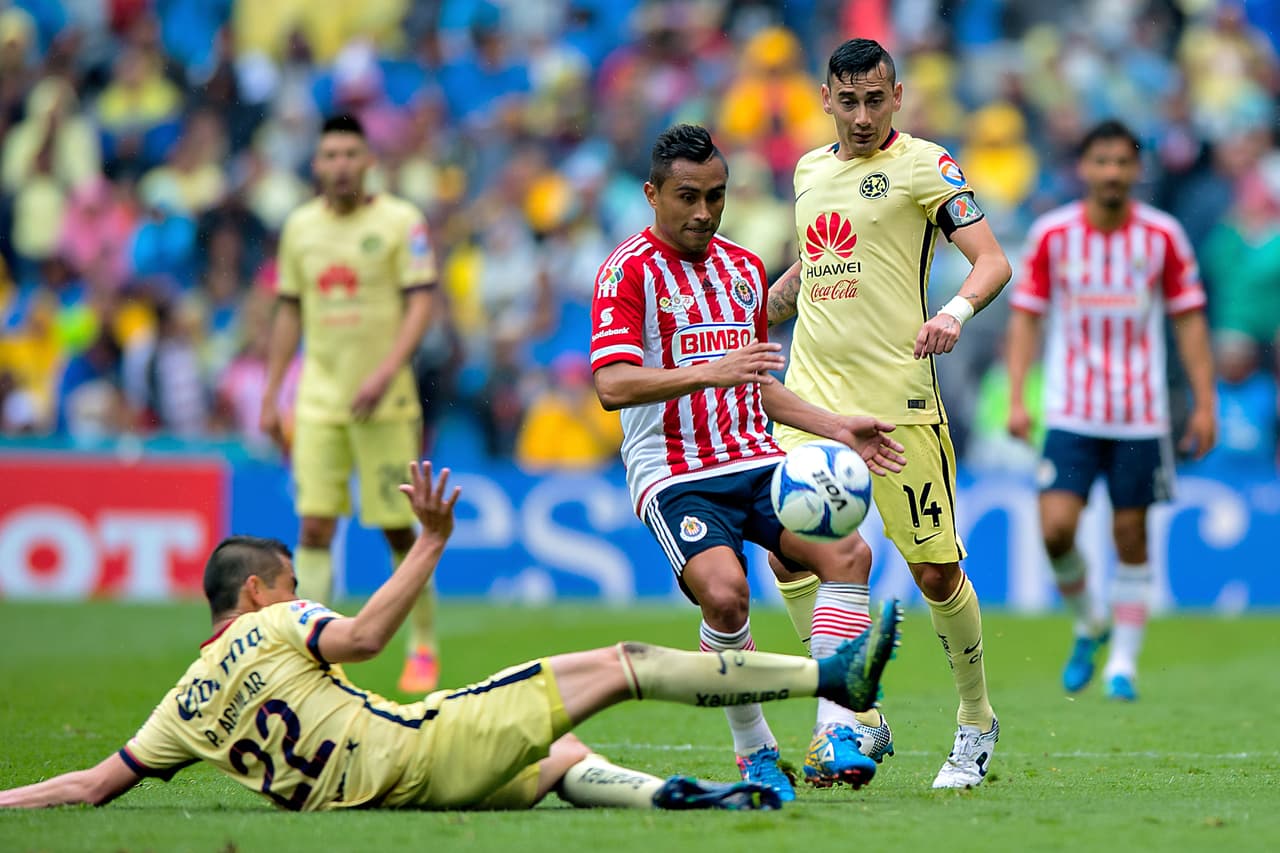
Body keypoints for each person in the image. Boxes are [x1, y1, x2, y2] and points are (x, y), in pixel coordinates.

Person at [0, 460, 902, 813]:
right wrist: (429, 542)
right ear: (256, 588)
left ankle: (688, 797)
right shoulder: (273, 621)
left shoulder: (179, 709)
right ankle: (835, 671)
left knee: (559, 758)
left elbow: (87, 785)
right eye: (291, 579)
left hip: (391, 794)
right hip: (422, 742)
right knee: (625, 663)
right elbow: (356, 639)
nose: (297, 590)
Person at [590, 123, 908, 801]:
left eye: (715, 196)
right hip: (676, 473)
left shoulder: (741, 270)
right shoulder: (628, 272)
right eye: (686, 197)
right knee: (726, 593)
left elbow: (755, 381)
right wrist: (709, 371)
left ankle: (832, 733)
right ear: (652, 195)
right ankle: (754, 748)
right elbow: (612, 384)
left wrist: (835, 426)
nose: (703, 212)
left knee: (849, 556)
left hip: (756, 457)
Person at [765, 39, 1012, 789]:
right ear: (825, 98)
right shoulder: (809, 171)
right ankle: (854, 712)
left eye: (876, 99)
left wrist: (956, 313)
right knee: (786, 551)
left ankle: (975, 719)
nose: (863, 115)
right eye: (849, 101)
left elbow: (993, 261)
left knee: (934, 571)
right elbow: (823, 261)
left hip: (898, 402)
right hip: (811, 399)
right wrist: (769, 301)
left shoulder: (925, 166)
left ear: (897, 96)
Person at [1005, 119, 1217, 701]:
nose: (1112, 173)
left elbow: (1190, 320)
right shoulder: (1052, 235)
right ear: (1084, 168)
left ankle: (1122, 663)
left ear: (1137, 170)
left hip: (1139, 414)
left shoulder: (1163, 237)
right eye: (1102, 161)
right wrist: (1020, 396)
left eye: (1123, 162)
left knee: (1130, 533)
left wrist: (1205, 402)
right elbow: (1027, 317)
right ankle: (1089, 621)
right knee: (1055, 530)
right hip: (1071, 410)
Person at [258, 114, 442, 695]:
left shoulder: (399, 223)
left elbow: (420, 303)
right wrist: (271, 394)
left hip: (384, 403)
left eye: (350, 154)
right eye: (330, 154)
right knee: (314, 526)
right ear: (316, 164)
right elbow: (289, 310)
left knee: (396, 527)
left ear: (368, 162)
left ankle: (423, 646)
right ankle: (316, 653)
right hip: (318, 401)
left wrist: (386, 371)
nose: (340, 165)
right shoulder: (300, 229)